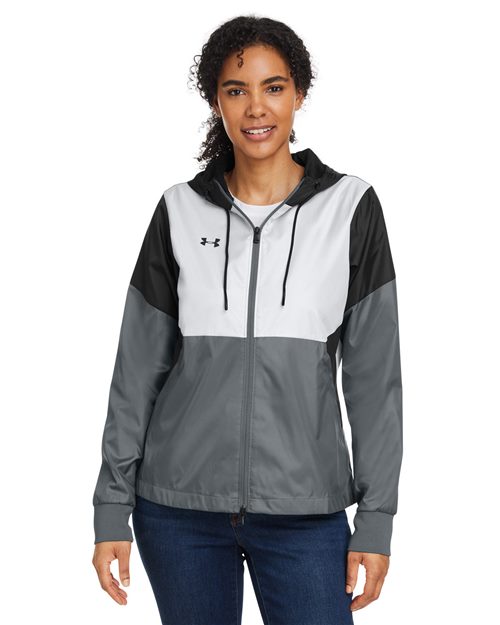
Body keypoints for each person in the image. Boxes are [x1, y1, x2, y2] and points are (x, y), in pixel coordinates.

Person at [91, 14, 403, 625]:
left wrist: (377, 518)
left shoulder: (350, 208)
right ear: (217, 102)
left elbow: (374, 382)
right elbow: (136, 373)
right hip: (177, 510)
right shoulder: (179, 210)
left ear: (299, 94)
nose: (256, 107)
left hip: (305, 511)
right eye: (236, 90)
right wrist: (110, 508)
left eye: (274, 87)